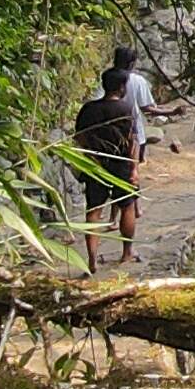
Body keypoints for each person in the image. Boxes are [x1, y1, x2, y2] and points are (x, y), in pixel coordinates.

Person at [69, 59, 144, 273]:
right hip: (121, 164)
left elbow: (80, 137)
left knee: (93, 211)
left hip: (96, 164)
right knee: (127, 206)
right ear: (121, 87)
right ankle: (126, 252)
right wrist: (134, 168)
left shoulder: (89, 109)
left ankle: (91, 261)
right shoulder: (126, 108)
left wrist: (90, 156)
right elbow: (133, 141)